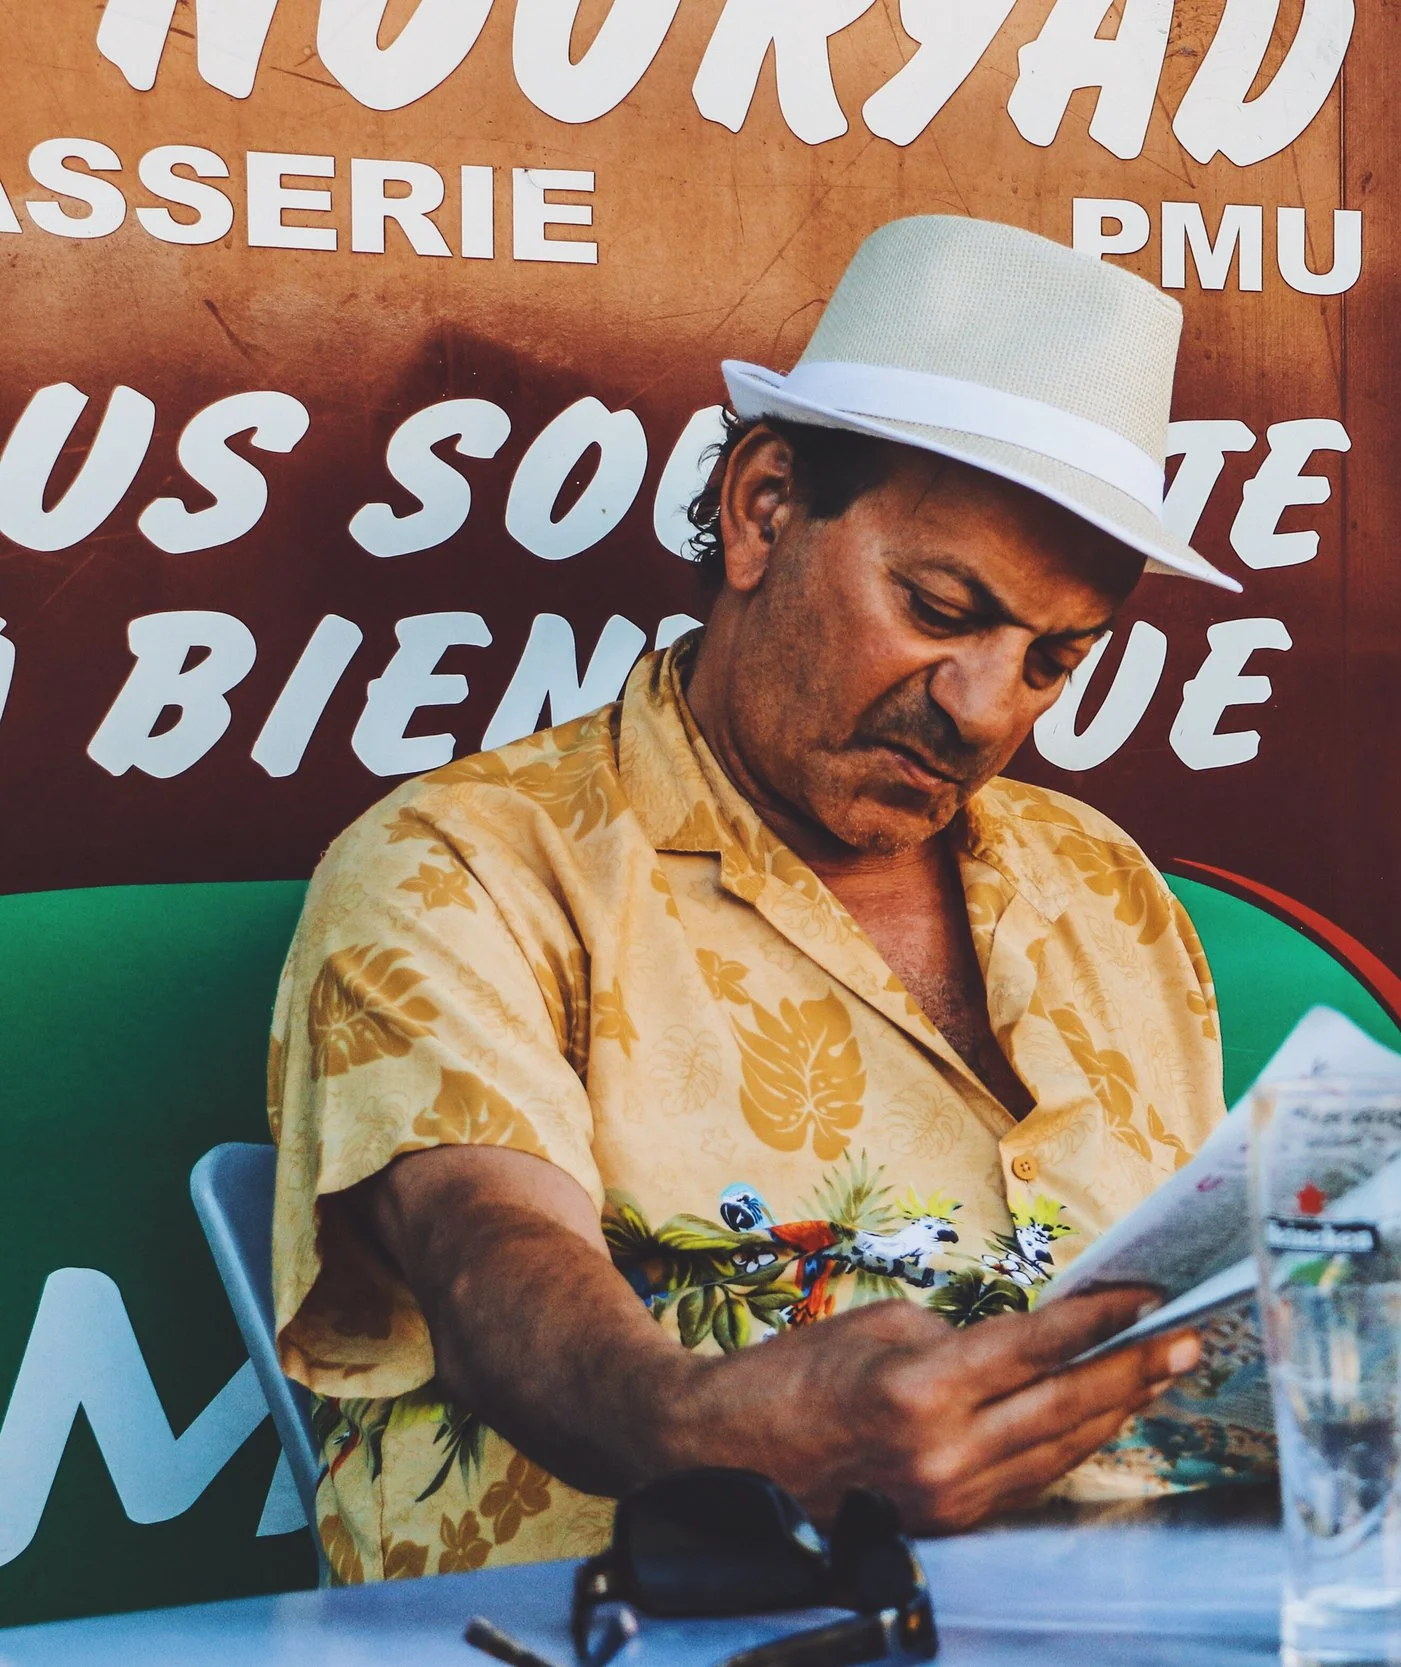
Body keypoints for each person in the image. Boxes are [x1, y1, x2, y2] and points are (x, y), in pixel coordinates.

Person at [266, 215, 1245, 1582]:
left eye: (1053, 660)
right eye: (944, 607)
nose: (984, 708)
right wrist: (707, 1421)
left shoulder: (1107, 891)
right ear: (763, 507)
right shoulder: (469, 864)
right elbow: (488, 1250)